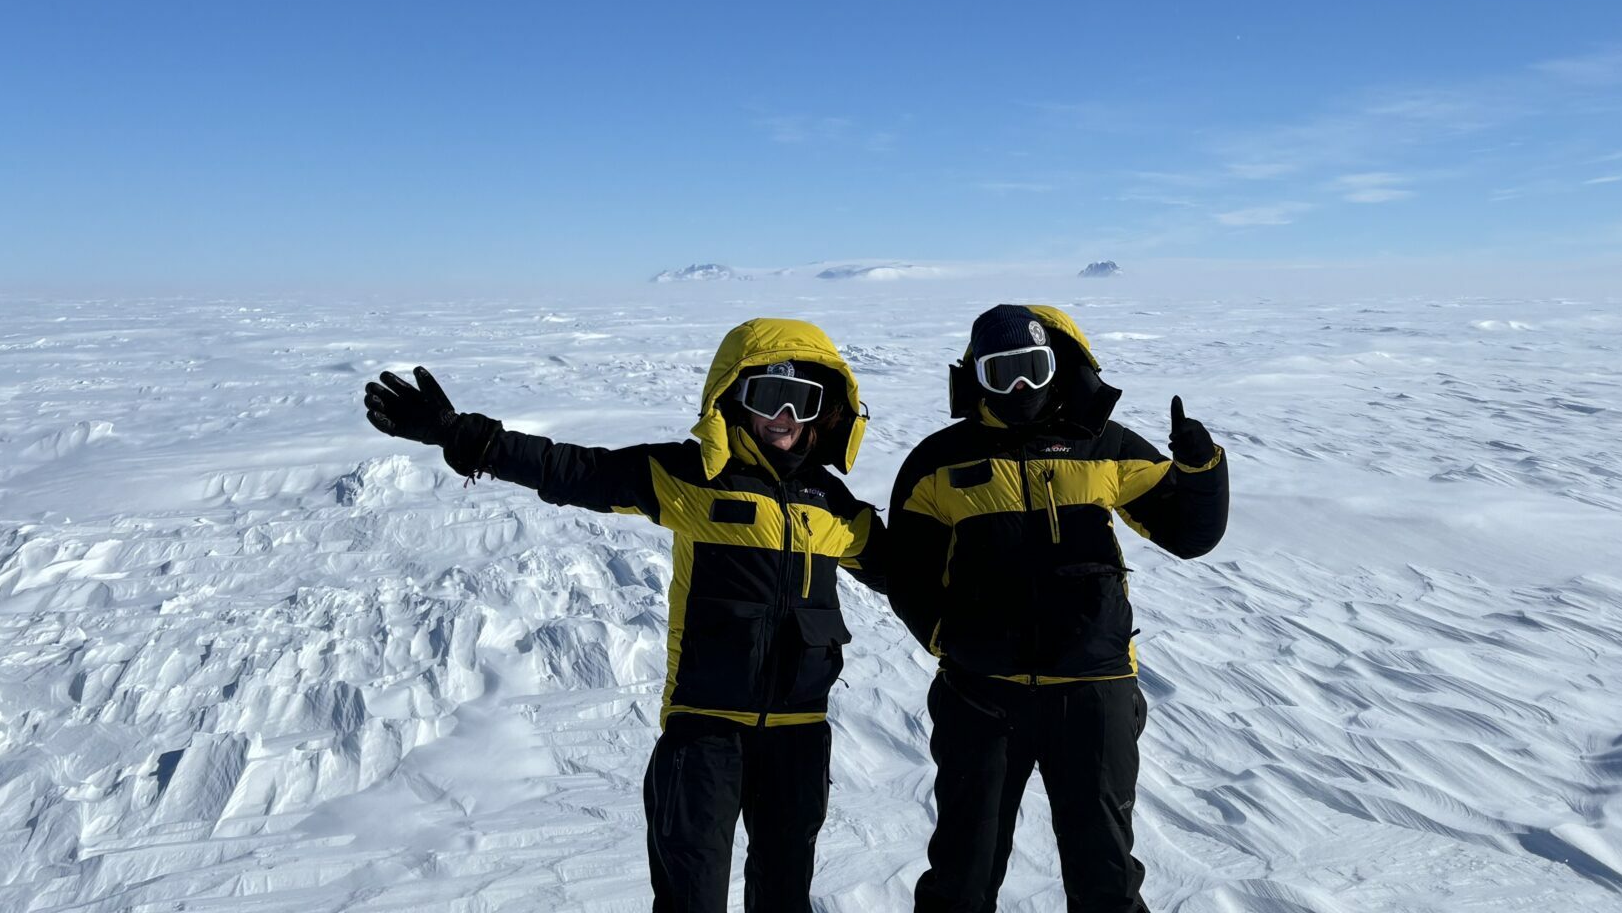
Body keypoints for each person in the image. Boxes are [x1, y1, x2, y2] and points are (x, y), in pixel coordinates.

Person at [362, 318, 885, 913]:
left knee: (786, 897)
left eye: (804, 399)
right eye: (767, 395)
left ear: (827, 410)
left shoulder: (836, 508)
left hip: (799, 737)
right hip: (705, 732)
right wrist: (463, 435)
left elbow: (913, 578)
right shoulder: (694, 479)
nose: (784, 414)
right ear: (734, 397)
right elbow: (574, 470)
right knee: (692, 899)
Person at [886, 304, 1229, 913]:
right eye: (1001, 372)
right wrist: (949, 639)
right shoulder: (938, 462)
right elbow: (908, 575)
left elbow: (1188, 535)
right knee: (962, 874)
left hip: (1094, 691)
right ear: (976, 376)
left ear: (1056, 368)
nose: (1019, 387)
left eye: (1032, 368)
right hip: (981, 696)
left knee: (1105, 875)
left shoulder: (1105, 446)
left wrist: (1201, 471)